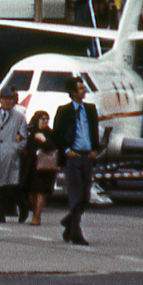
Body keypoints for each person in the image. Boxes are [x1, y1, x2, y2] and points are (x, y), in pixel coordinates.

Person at [53, 76, 103, 245]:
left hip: (87, 156)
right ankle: (76, 232)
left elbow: (94, 131)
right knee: (76, 193)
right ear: (73, 92)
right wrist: (67, 151)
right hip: (73, 157)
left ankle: (69, 222)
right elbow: (57, 134)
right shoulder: (64, 111)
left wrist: (95, 149)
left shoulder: (90, 109)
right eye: (81, 89)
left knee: (85, 195)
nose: (84, 91)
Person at [0, 85, 29, 223]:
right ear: (0, 100)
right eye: (5, 99)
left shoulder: (19, 117)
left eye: (10, 99)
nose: (8, 102)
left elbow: (23, 137)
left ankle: (23, 208)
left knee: (12, 184)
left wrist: (14, 149)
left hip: (10, 155)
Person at [22, 110, 59, 226]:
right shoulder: (30, 132)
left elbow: (52, 147)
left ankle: (37, 216)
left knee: (40, 191)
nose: (45, 121)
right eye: (42, 119)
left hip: (44, 168)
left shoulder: (50, 133)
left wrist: (43, 140)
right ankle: (33, 213)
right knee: (31, 192)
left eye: (47, 119)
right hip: (31, 166)